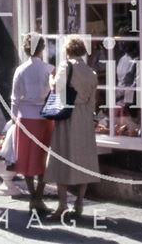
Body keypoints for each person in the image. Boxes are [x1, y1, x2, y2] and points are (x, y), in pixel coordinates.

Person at [44, 36, 100, 219]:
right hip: (84, 117)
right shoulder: (91, 73)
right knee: (83, 159)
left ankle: (62, 205)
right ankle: (80, 202)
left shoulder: (65, 66)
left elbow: (57, 90)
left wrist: (50, 80)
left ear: (67, 51)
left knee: (63, 158)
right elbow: (93, 102)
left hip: (68, 116)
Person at [10, 32, 55, 214]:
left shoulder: (20, 70)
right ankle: (38, 197)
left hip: (25, 117)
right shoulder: (49, 69)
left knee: (27, 159)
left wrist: (13, 120)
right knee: (43, 159)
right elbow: (56, 96)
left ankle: (33, 197)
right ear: (42, 48)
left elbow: (14, 99)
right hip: (44, 117)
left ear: (25, 48)